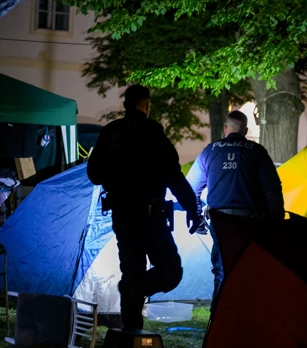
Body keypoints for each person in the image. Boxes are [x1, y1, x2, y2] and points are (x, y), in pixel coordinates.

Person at [87, 85, 200, 331]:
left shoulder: (111, 133)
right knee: (171, 270)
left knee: (131, 274)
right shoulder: (153, 133)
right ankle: (136, 293)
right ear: (147, 105)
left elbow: (94, 174)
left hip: (123, 217)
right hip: (151, 218)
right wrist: (192, 209)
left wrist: (116, 174)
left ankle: (132, 338)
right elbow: (174, 176)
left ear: (125, 104)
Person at [187, 110, 284, 303]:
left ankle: (219, 314)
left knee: (221, 267)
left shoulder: (210, 151)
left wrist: (195, 216)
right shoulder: (256, 151)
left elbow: (192, 189)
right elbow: (272, 189)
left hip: (220, 220)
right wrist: (276, 220)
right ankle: (247, 311)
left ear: (225, 129)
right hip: (251, 221)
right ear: (246, 130)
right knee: (249, 265)